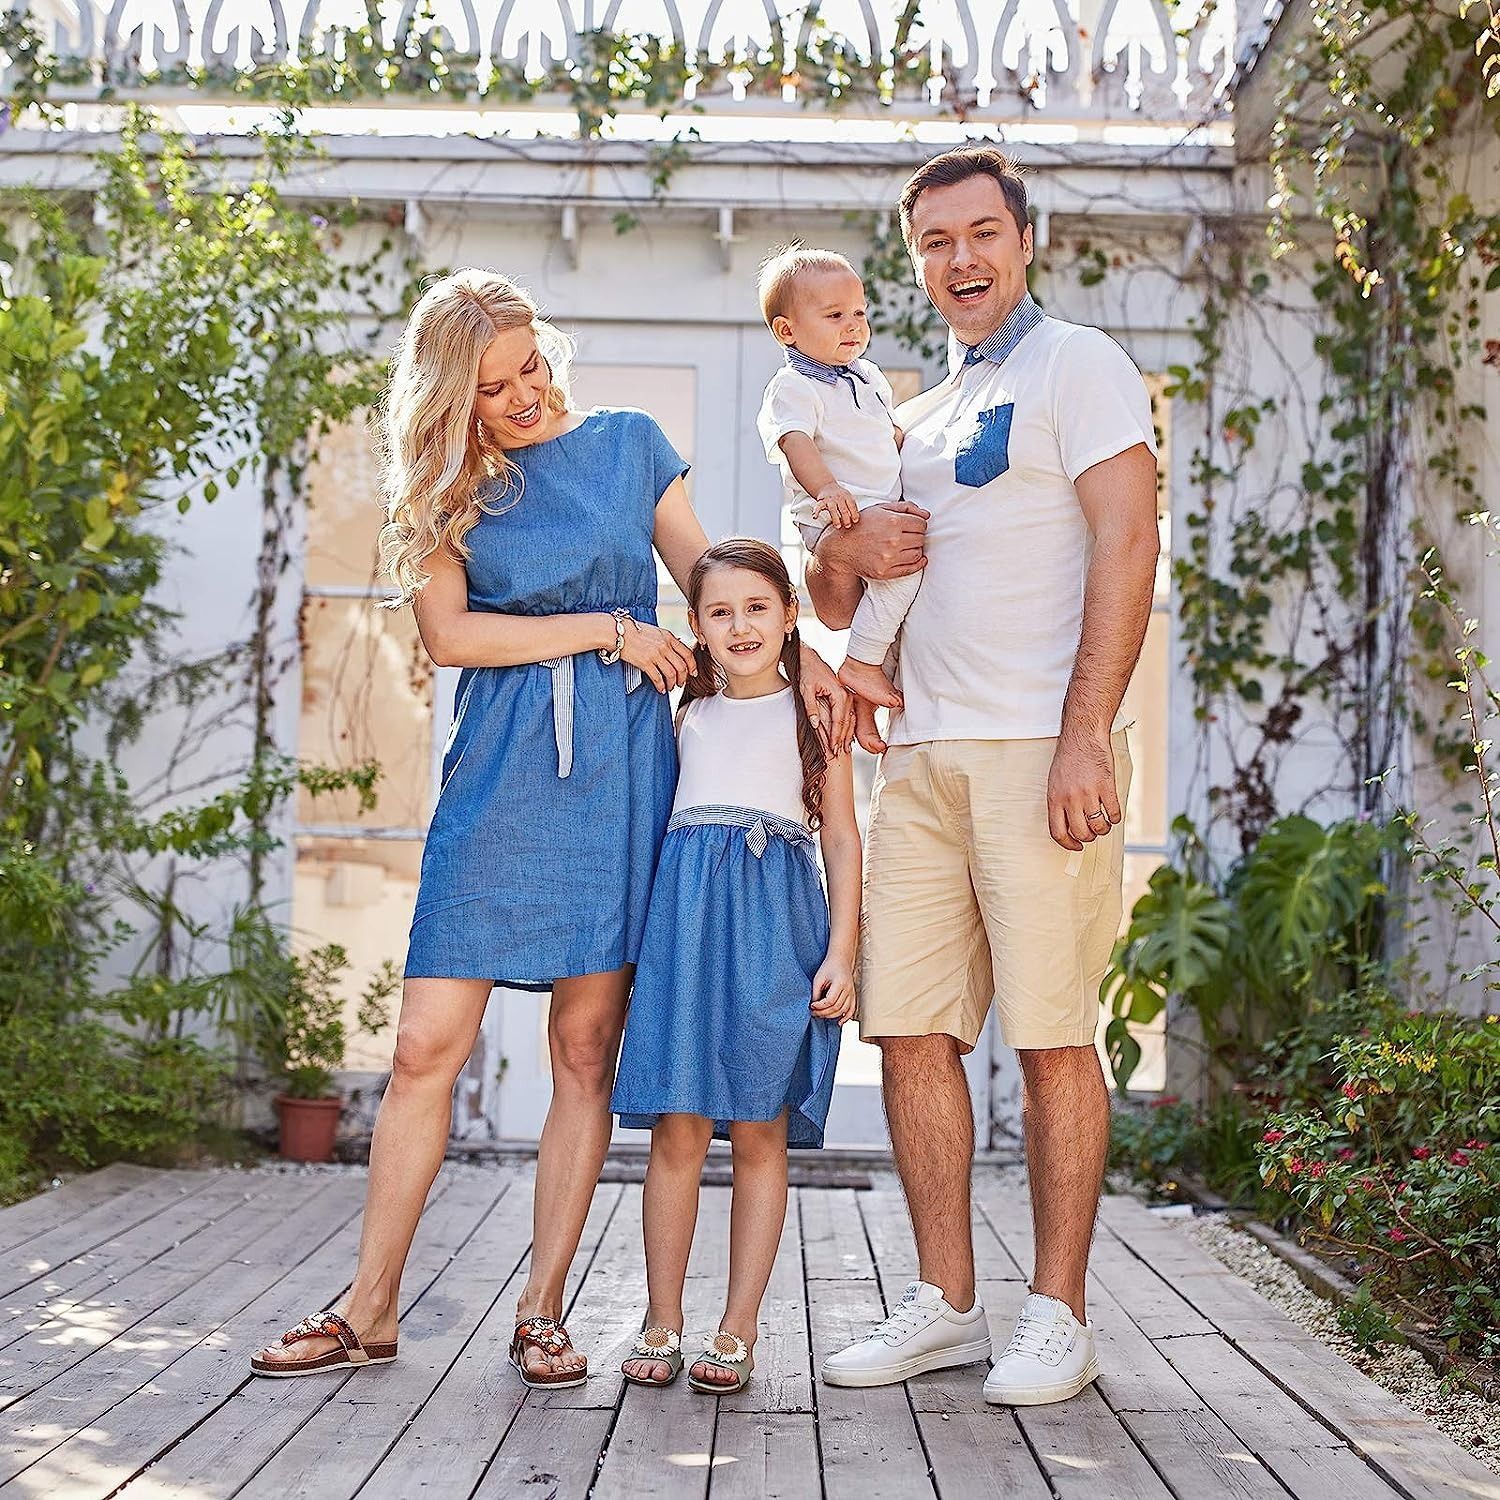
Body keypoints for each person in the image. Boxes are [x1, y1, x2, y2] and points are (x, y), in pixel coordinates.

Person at [249, 271, 850, 1388]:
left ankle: (542, 1310)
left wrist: (807, 671)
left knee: (585, 1051)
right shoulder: (439, 494)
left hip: (625, 777)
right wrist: (612, 632)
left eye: (530, 366)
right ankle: (368, 1308)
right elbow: (452, 638)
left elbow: (718, 592)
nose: (523, 394)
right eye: (492, 386)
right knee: (426, 1044)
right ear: (449, 400)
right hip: (501, 781)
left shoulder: (629, 446)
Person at [809, 147, 1160, 1406]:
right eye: (935, 244)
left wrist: (1085, 733)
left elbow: (1129, 543)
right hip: (921, 756)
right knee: (911, 1029)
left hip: (1034, 748)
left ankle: (1059, 1315)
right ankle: (948, 1302)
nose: (960, 260)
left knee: (1054, 1036)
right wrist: (837, 549)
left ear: (1025, 240)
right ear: (917, 264)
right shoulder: (910, 415)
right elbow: (847, 589)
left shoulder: (1082, 365)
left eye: (980, 234)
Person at [610, 538, 861, 1395]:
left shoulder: (815, 719)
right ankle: (663, 1317)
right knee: (678, 1129)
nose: (741, 625)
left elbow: (843, 841)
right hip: (687, 931)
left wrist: (843, 951)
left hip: (776, 933)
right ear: (697, 627)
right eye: (720, 612)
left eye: (758, 608)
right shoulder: (683, 716)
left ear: (790, 617)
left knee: (760, 1129)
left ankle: (738, 1326)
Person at [755, 246, 912, 750]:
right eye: (835, 316)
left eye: (860, 314)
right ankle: (860, 663)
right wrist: (826, 488)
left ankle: (866, 710)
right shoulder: (793, 385)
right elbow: (793, 441)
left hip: (876, 508)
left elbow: (878, 432)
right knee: (904, 578)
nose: (854, 326)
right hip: (838, 515)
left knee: (893, 618)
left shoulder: (869, 377)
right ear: (787, 331)